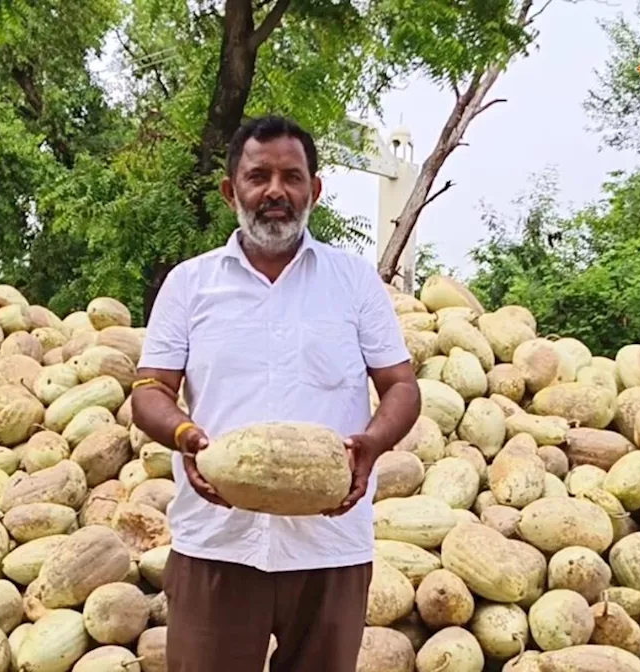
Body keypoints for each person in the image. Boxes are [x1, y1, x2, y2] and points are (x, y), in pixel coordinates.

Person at [130, 114, 422, 672]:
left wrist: (372, 444)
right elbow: (149, 390)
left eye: (291, 177)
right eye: (257, 176)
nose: (275, 192)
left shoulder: (354, 281)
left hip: (330, 544)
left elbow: (401, 386)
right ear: (229, 191)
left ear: (314, 190)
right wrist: (186, 436)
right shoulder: (189, 284)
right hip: (217, 541)